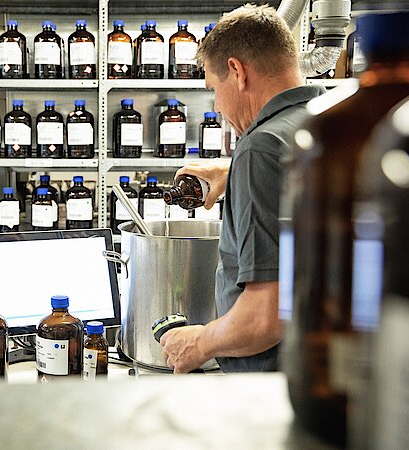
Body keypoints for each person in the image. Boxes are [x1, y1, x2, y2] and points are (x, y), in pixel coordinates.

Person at [160, 3, 326, 373]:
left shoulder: (262, 147)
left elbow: (266, 317)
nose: (218, 106)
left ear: (236, 71)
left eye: (213, 90)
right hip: (319, 370)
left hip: (268, 384)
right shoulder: (327, 118)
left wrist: (198, 342)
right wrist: (233, 168)